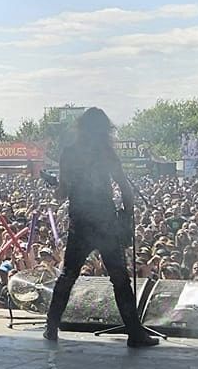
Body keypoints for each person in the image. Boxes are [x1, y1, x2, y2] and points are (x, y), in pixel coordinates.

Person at [45, 107, 157, 347]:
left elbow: (62, 193)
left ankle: (51, 327)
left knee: (68, 275)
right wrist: (126, 218)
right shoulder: (106, 153)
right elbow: (125, 189)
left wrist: (55, 188)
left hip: (80, 223)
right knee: (120, 279)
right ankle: (134, 333)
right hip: (105, 222)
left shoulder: (69, 153)